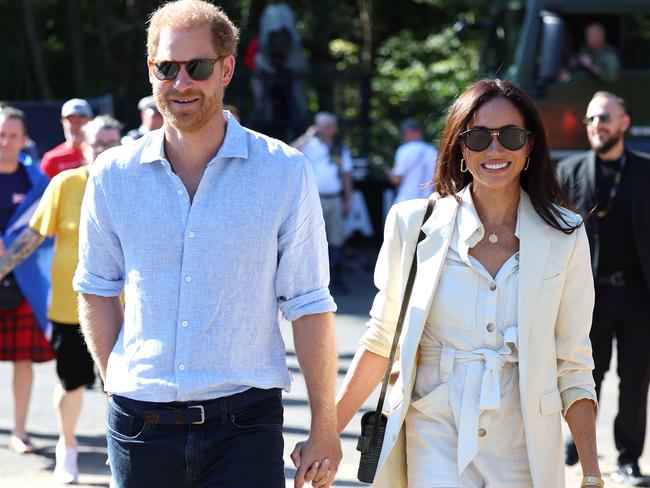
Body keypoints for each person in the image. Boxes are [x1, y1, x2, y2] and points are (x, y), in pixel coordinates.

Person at [72, 2, 341, 487]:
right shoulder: (112, 174)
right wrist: (116, 383)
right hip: (139, 425)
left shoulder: (283, 171)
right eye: (166, 68)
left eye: (197, 67)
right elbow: (96, 287)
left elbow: (308, 302)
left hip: (246, 426)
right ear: (150, 70)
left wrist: (324, 423)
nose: (181, 83)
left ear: (226, 68)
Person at [293, 79, 603, 487]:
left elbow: (574, 364)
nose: (495, 150)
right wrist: (327, 432)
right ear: (460, 147)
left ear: (529, 147)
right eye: (478, 137)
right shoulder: (413, 225)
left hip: (524, 442)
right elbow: (381, 339)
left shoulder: (565, 234)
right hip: (434, 432)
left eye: (510, 136)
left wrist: (592, 473)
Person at [0, 115, 122, 483]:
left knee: (124, 389)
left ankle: (125, 454)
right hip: (73, 309)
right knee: (71, 383)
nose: (103, 149)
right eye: (96, 143)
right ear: (82, 147)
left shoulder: (138, 183)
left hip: (130, 310)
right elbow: (32, 237)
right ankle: (66, 448)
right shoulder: (65, 184)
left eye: (110, 142)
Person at [558, 91, 650, 486]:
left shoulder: (647, 171)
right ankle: (580, 445)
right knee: (583, 376)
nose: (597, 125)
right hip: (587, 297)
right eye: (592, 119)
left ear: (625, 123)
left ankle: (628, 459)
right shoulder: (568, 171)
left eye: (606, 118)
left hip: (637, 296)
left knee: (635, 381)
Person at [0, 107, 54, 454]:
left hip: (22, 284)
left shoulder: (37, 181)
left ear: (24, 140)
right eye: (0, 135)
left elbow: (44, 231)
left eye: (12, 136)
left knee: (22, 361)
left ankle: (18, 432)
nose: (5, 142)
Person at [293, 112, 353, 295]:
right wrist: (307, 135)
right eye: (322, 126)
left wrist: (348, 199)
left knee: (336, 241)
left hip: (334, 198)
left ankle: (336, 282)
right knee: (311, 242)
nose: (325, 130)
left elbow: (346, 175)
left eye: (328, 126)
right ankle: (311, 285)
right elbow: (288, 151)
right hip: (313, 199)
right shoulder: (309, 145)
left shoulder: (339, 148)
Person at [40, 98, 93, 179]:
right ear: (63, 122)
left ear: (90, 121)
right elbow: (43, 189)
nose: (75, 126)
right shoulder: (52, 159)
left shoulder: (100, 153)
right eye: (71, 121)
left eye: (79, 121)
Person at [389, 117, 438, 204]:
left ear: (409, 132)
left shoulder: (404, 150)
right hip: (428, 202)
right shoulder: (432, 150)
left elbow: (397, 179)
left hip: (406, 201)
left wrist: (390, 173)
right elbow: (437, 180)